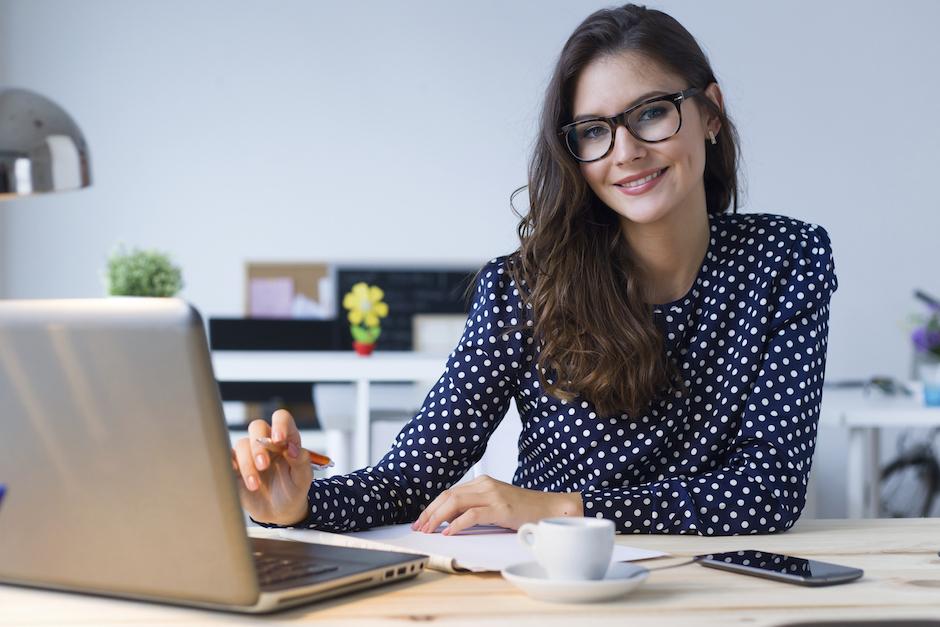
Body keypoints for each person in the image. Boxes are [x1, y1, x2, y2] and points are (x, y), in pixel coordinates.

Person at [232, 3, 837, 536]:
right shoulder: (526, 288)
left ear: (710, 112)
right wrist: (295, 505)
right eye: (594, 131)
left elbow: (768, 490)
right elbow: (411, 478)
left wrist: (559, 508)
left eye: (651, 113)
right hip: (553, 588)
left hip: (723, 593)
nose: (625, 152)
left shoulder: (786, 261)